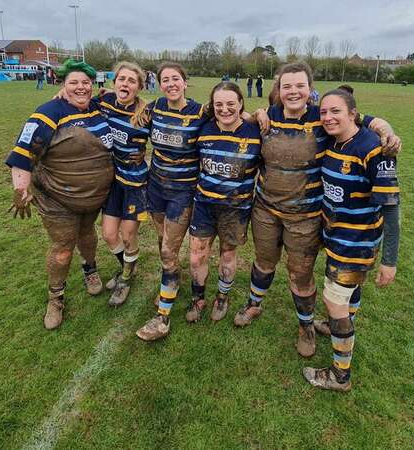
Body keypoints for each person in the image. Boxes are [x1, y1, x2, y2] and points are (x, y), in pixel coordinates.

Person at [234, 62, 399, 359]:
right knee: (263, 261)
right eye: (287, 86)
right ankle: (253, 304)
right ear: (279, 90)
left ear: (310, 89)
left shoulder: (323, 117)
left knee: (300, 273)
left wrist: (384, 127)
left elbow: (358, 118)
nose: (293, 91)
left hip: (306, 217)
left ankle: (306, 326)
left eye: (300, 86)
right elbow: (242, 115)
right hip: (266, 210)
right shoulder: (268, 116)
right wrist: (256, 112)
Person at [302, 87, 400, 392]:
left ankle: (339, 374)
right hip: (335, 235)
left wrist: (389, 261)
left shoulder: (374, 150)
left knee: (334, 300)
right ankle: (336, 326)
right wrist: (379, 121)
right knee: (347, 293)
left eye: (336, 112)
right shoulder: (333, 139)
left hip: (357, 241)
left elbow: (392, 210)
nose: (328, 117)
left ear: (352, 114)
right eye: (324, 112)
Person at [5, 59, 115, 330]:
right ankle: (56, 298)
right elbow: (23, 154)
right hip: (58, 198)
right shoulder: (47, 113)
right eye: (73, 83)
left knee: (88, 235)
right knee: (63, 248)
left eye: (85, 83)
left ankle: (90, 270)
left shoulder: (99, 109)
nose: (80, 88)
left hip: (93, 196)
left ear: (93, 85)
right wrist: (20, 189)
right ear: (62, 84)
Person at [135, 62, 210, 341]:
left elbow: (234, 116)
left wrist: (260, 115)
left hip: (182, 192)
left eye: (175, 79)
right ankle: (170, 283)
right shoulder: (154, 108)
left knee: (168, 250)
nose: (170, 84)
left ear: (185, 82)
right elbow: (121, 110)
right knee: (162, 242)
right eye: (165, 80)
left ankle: (163, 318)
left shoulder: (201, 111)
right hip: (155, 188)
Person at [186, 81, 262, 323]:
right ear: (212, 106)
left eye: (231, 103)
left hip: (236, 209)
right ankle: (198, 298)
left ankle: (222, 296)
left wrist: (259, 115)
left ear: (241, 103)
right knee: (197, 256)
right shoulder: (203, 128)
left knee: (227, 255)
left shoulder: (256, 132)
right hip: (204, 204)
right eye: (219, 104)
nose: (225, 109)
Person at [96, 62, 152, 307]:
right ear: (114, 82)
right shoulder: (104, 102)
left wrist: (147, 155)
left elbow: (169, 136)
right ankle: (129, 266)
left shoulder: (146, 113)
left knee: (128, 236)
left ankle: (126, 278)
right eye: (122, 79)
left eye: (131, 80)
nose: (125, 83)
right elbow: (75, 103)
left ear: (139, 86)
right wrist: (60, 93)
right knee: (109, 235)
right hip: (112, 181)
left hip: (135, 183)